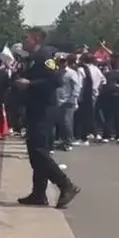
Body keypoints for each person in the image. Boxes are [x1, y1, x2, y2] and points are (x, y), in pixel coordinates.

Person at [14, 28, 81, 209]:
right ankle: (38, 193)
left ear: (36, 39)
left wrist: (30, 84)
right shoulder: (33, 58)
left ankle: (65, 184)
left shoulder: (45, 56)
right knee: (35, 152)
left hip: (44, 110)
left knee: (39, 152)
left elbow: (56, 80)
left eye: (26, 38)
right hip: (35, 109)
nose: (23, 41)